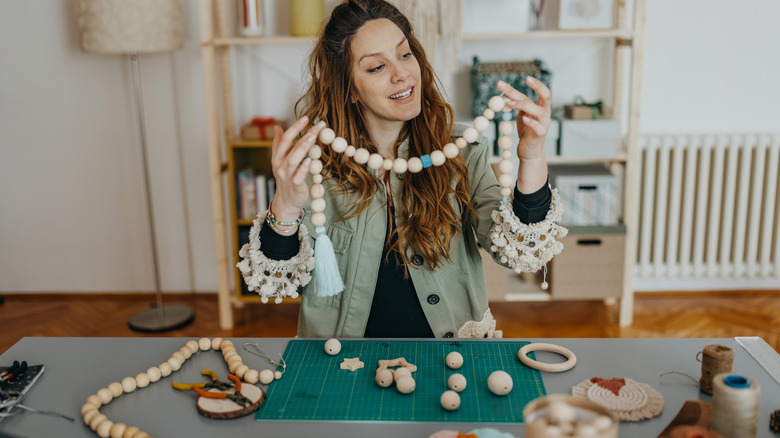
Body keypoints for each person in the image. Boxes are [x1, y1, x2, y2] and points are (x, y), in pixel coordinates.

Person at [237, 0, 565, 338]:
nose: (402, 74)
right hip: (343, 364)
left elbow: (522, 255)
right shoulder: (316, 163)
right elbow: (276, 286)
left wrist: (533, 158)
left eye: (405, 55)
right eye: (377, 67)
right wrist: (286, 206)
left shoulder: (462, 151)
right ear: (349, 88)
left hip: (451, 359)